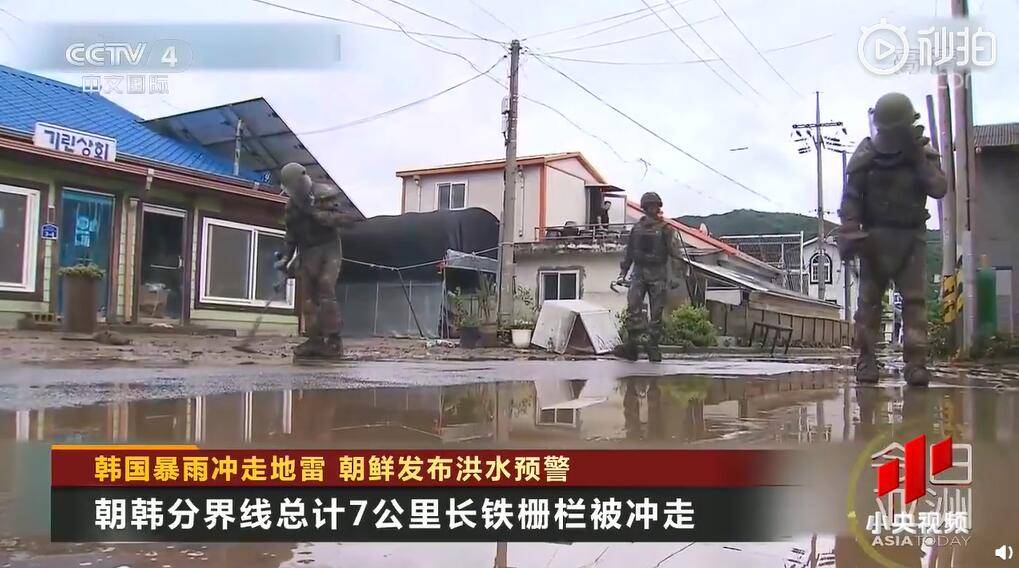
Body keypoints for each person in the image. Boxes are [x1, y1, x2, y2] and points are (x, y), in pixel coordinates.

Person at [839, 93, 947, 386]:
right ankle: (866, 359)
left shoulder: (923, 154)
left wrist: (919, 162)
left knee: (914, 303)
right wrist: (850, 228)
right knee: (868, 305)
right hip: (874, 238)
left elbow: (939, 188)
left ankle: (916, 362)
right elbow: (851, 197)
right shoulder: (867, 154)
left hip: (911, 237)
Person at [277, 162, 361, 360]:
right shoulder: (292, 207)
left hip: (329, 248)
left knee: (325, 287)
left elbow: (349, 220)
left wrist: (321, 216)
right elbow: (291, 236)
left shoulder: (325, 193)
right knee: (309, 295)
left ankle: (333, 340)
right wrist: (285, 258)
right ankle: (314, 340)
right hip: (307, 251)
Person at [613, 192, 684, 362]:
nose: (654, 209)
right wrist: (623, 272)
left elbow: (675, 254)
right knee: (633, 309)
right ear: (645, 208)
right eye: (650, 206)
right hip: (638, 273)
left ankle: (653, 346)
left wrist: (675, 276)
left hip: (658, 274)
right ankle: (632, 345)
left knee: (656, 313)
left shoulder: (666, 229)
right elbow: (629, 252)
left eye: (656, 206)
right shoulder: (636, 229)